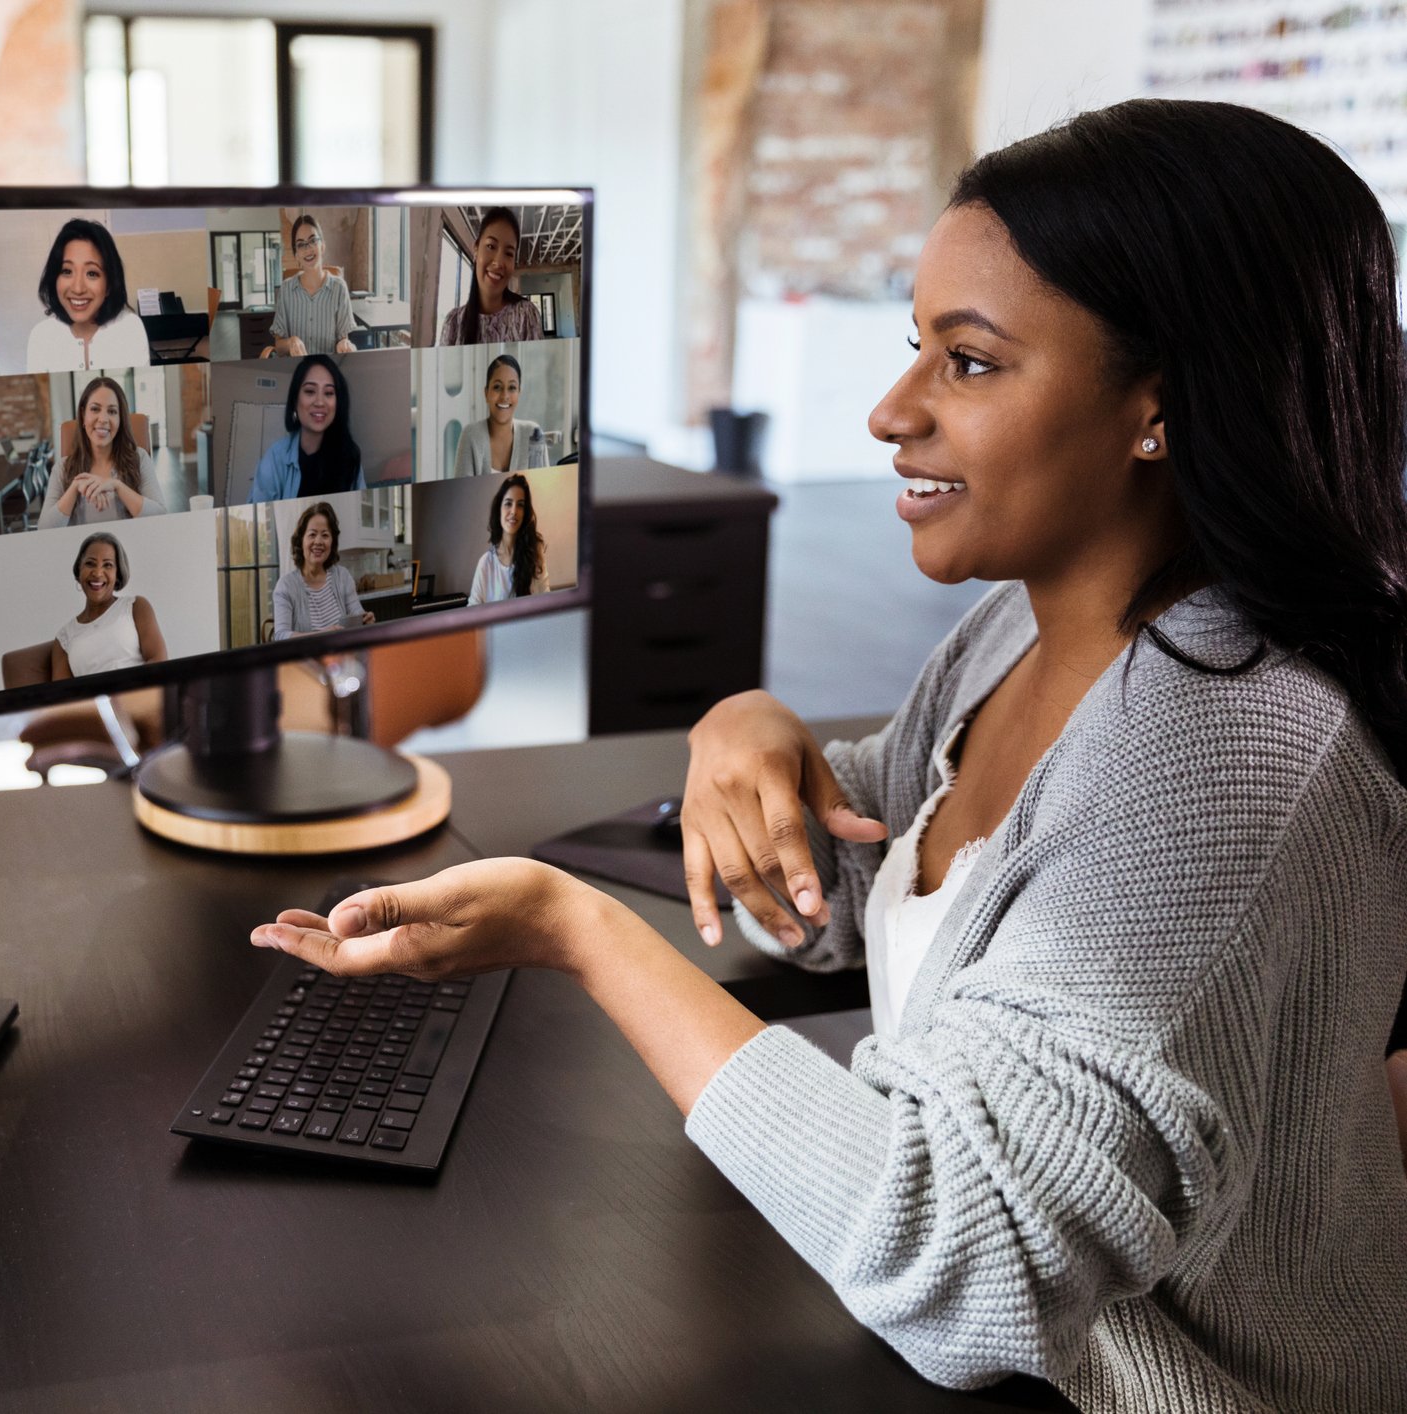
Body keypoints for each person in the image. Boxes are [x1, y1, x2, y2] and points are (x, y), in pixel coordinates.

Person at [253, 100, 1407, 1412]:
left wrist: (575, 928)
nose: (887, 411)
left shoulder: (1228, 764)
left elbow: (962, 1267)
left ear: (1160, 407)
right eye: (914, 348)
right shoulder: (1018, 635)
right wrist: (748, 729)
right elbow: (886, 879)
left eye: (967, 364)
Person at [24, 219, 151, 373]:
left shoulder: (130, 329)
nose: (78, 288)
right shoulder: (41, 337)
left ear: (109, 284)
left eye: (92, 273)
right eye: (66, 271)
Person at [38, 377, 167, 527]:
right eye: (95, 409)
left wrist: (117, 486)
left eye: (112, 411)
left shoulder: (139, 458)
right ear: (82, 415)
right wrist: (74, 488)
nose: (103, 419)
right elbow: (44, 528)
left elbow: (161, 516)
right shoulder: (63, 467)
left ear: (120, 419)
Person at [50, 532, 167, 680]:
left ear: (117, 574)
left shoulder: (135, 607)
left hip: (139, 697)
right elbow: (62, 696)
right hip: (93, 702)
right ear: (79, 570)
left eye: (108, 565)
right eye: (90, 563)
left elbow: (159, 661)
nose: (98, 573)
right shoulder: (63, 638)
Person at [246, 355, 363, 502]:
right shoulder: (275, 458)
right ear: (295, 400)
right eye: (310, 391)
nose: (320, 402)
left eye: (328, 393)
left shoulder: (350, 455)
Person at [438, 207, 543, 346]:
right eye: (491, 246)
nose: (498, 262)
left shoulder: (526, 316)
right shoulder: (453, 324)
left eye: (509, 253)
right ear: (476, 249)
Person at [270, 501, 372, 638]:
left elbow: (357, 615)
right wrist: (322, 635)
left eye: (325, 535)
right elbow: (280, 636)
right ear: (301, 540)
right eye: (312, 534)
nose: (318, 541)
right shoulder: (285, 586)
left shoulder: (343, 577)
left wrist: (366, 621)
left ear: (332, 542)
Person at [269, 214, 355, 358]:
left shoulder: (339, 288)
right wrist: (291, 342)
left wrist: (344, 344)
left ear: (322, 246)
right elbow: (279, 346)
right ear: (296, 255)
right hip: (296, 371)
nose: (308, 249)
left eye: (313, 240)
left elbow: (343, 338)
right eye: (301, 244)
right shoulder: (286, 289)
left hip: (327, 371)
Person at [452, 354, 551, 479]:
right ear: (486, 393)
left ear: (519, 393)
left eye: (512, 388)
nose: (505, 396)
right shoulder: (471, 435)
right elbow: (462, 495)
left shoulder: (533, 434)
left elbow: (544, 491)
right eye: (497, 387)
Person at [466, 474, 548, 606]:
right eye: (508, 504)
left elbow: (547, 600)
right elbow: (472, 611)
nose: (514, 511)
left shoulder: (535, 554)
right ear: (499, 509)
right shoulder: (485, 564)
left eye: (520, 505)